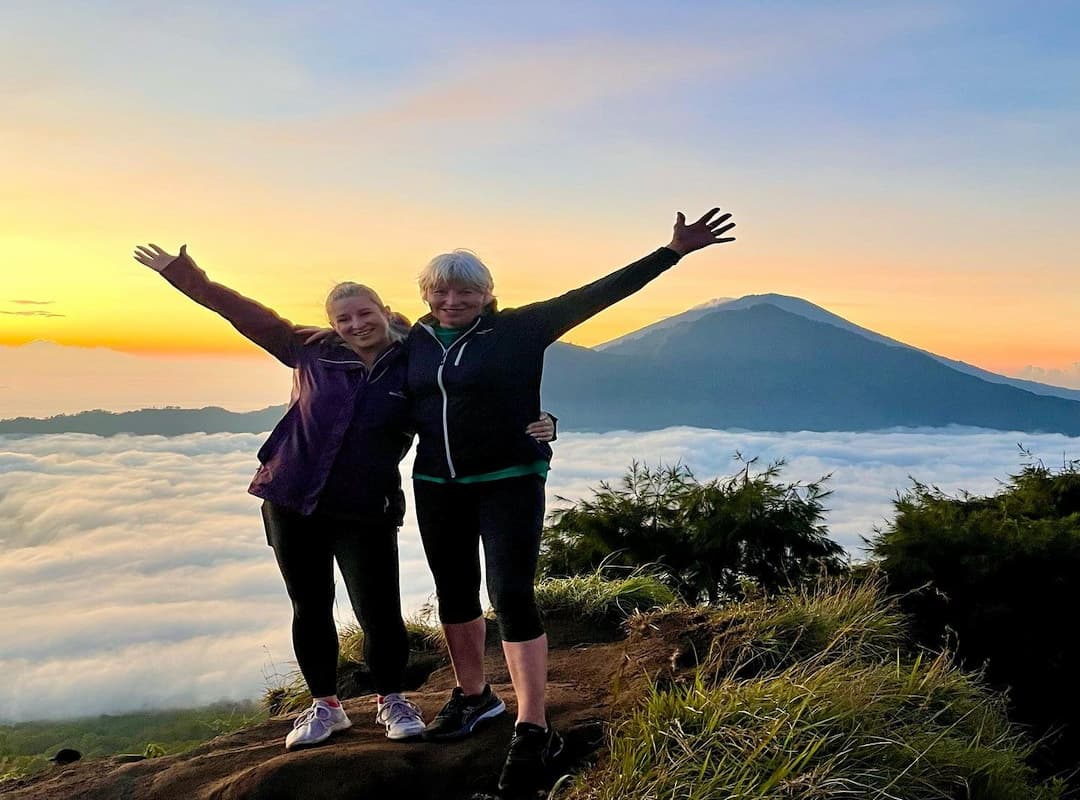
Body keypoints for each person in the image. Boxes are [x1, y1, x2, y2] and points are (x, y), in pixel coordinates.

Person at [131, 243, 556, 751]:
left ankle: (391, 699)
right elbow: (245, 315)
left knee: (378, 610)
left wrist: (536, 423)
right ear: (331, 324)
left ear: (385, 312)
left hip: (365, 504)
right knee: (310, 606)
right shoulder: (310, 350)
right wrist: (186, 276)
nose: (356, 325)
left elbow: (462, 399)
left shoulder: (410, 359)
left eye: (364, 313)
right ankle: (326, 706)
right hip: (291, 495)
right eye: (344, 318)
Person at [406, 207, 735, 796]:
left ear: (487, 294)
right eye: (441, 291)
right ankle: (473, 696)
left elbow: (599, 294)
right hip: (436, 483)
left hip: (509, 477)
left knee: (510, 593)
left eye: (466, 291)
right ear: (426, 294)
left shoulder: (521, 328)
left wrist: (672, 252)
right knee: (454, 592)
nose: (452, 300)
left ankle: (533, 725)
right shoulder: (413, 341)